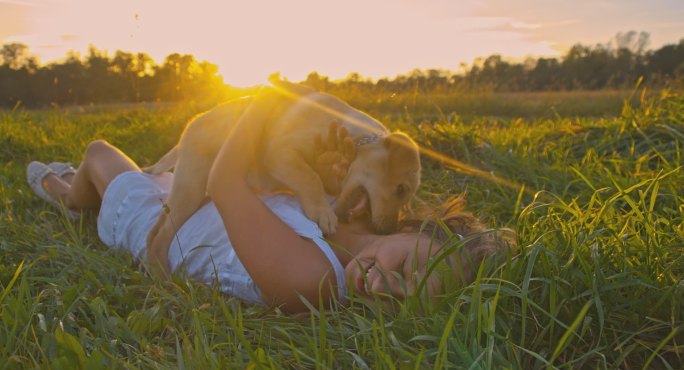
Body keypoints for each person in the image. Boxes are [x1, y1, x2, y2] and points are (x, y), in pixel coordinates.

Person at [26, 100, 513, 313]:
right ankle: (77, 185)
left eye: (401, 300)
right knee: (144, 171)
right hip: (192, 196)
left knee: (97, 157)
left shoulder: (313, 280)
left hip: (156, 224)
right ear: (414, 230)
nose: (384, 286)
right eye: (404, 265)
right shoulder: (353, 212)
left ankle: (61, 188)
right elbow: (272, 174)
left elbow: (225, 179)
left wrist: (265, 101)